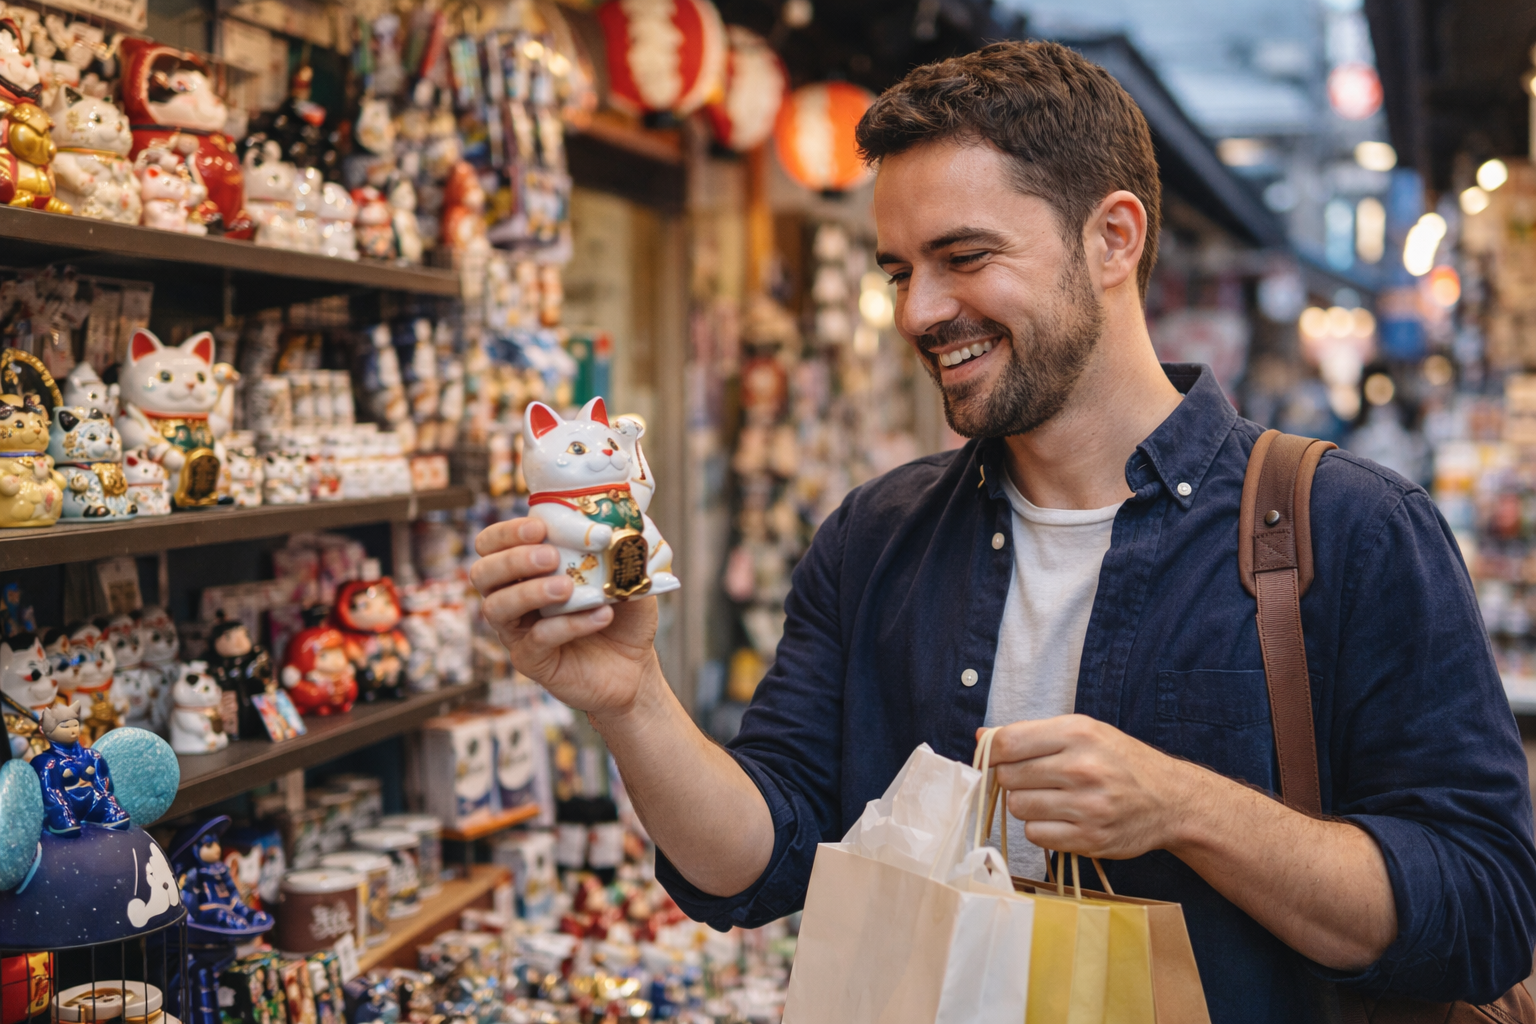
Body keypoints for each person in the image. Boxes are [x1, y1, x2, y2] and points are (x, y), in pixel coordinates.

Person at [470, 40, 1536, 1021]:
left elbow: (1486, 908)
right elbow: (752, 865)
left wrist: (1184, 807)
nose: (918, 312)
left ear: (1112, 237)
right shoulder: (877, 537)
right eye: (897, 270)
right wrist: (632, 698)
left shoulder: (1344, 529)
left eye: (964, 256)